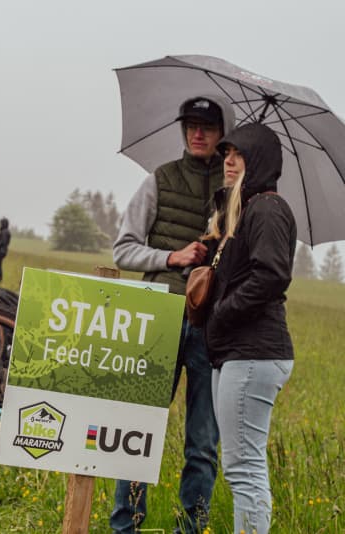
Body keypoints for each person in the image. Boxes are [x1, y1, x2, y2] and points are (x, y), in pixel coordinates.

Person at [110, 96, 235, 533]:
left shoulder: (239, 188)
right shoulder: (158, 181)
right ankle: (126, 525)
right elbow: (123, 249)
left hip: (212, 327)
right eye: (190, 125)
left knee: (203, 443)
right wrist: (172, 257)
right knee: (137, 431)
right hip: (159, 319)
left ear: (223, 133)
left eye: (207, 126)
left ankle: (192, 528)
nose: (197, 133)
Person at [204, 123, 295, 534]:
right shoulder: (244, 211)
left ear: (257, 160)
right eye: (226, 152)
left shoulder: (269, 208)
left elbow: (272, 276)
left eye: (239, 153)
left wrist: (222, 312)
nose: (228, 159)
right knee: (239, 467)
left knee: (245, 469)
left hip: (254, 352)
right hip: (236, 352)